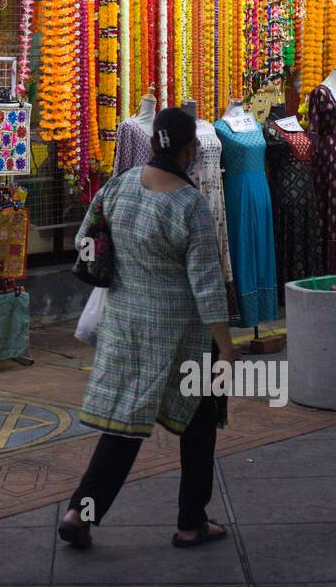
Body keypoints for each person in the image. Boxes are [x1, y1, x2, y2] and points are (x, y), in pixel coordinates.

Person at [59, 106, 236, 549]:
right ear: (188, 148)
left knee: (123, 423)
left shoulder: (119, 187)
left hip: (124, 325)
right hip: (183, 336)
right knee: (198, 425)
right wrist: (226, 347)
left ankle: (81, 513)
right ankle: (190, 521)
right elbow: (207, 285)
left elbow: (86, 241)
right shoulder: (189, 204)